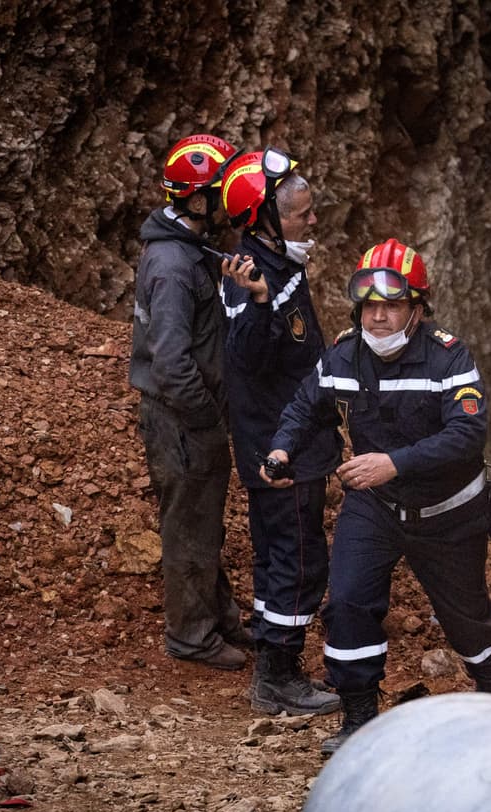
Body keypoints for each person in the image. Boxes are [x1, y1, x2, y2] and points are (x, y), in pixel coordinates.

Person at [265, 238, 491, 756]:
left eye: (392, 306)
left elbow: (467, 435)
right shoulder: (343, 353)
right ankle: (359, 718)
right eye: (370, 307)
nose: (378, 318)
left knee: (466, 617)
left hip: (448, 511)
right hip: (374, 505)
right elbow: (302, 407)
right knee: (350, 602)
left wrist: (393, 462)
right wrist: (282, 450)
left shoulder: (450, 357)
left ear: (417, 310)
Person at [216, 148, 342, 716]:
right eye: (301, 215)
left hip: (293, 437)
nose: (313, 222)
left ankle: (275, 658)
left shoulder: (281, 264)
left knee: (279, 553)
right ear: (263, 217)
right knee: (295, 556)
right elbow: (245, 358)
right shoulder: (252, 277)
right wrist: (263, 302)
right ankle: (277, 677)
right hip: (280, 447)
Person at [128, 133, 248, 670]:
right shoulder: (174, 265)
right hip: (182, 418)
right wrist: (205, 418)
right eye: (220, 192)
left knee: (203, 520)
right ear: (197, 200)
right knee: (189, 526)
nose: (229, 201)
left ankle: (217, 616)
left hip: (188, 414)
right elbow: (171, 360)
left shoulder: (189, 250)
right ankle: (192, 637)